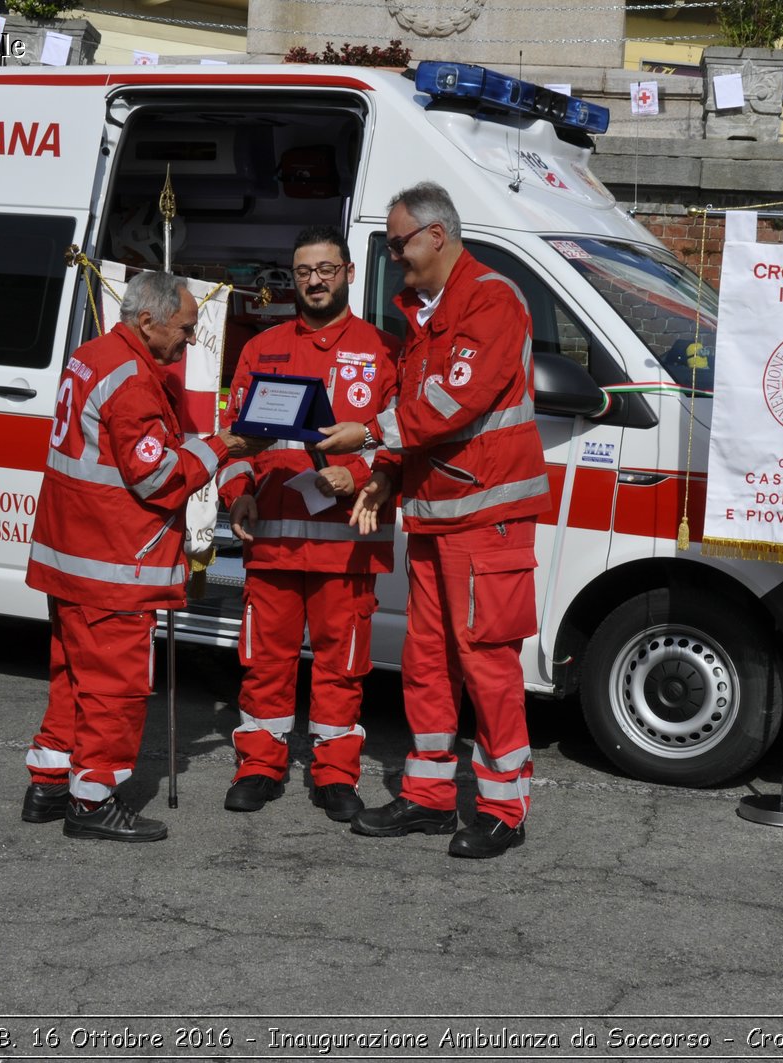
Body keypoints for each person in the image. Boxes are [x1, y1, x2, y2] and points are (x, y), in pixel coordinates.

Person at [318, 181, 550, 859]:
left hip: (485, 515)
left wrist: (366, 437)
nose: (393, 257)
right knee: (425, 663)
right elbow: (419, 419)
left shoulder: (491, 299)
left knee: (487, 665)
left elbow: (453, 401)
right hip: (436, 516)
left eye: (398, 243)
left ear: (436, 236)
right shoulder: (428, 312)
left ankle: (504, 808)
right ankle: (428, 795)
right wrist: (387, 470)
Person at [21, 271, 266, 842]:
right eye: (184, 329)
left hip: (72, 555)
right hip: (114, 560)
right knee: (114, 686)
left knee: (73, 678)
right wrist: (222, 445)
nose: (188, 340)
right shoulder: (132, 378)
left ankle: (50, 783)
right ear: (147, 320)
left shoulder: (94, 356)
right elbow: (157, 479)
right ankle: (92, 799)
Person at [216, 226, 401, 820]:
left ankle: (335, 774)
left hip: (347, 546)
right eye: (303, 272)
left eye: (325, 269)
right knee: (263, 660)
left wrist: (367, 474)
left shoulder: (383, 351)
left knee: (342, 664)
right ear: (292, 278)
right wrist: (239, 491)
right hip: (270, 537)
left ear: (348, 272)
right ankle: (259, 766)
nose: (315, 281)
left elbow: (404, 442)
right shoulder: (260, 348)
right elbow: (234, 440)